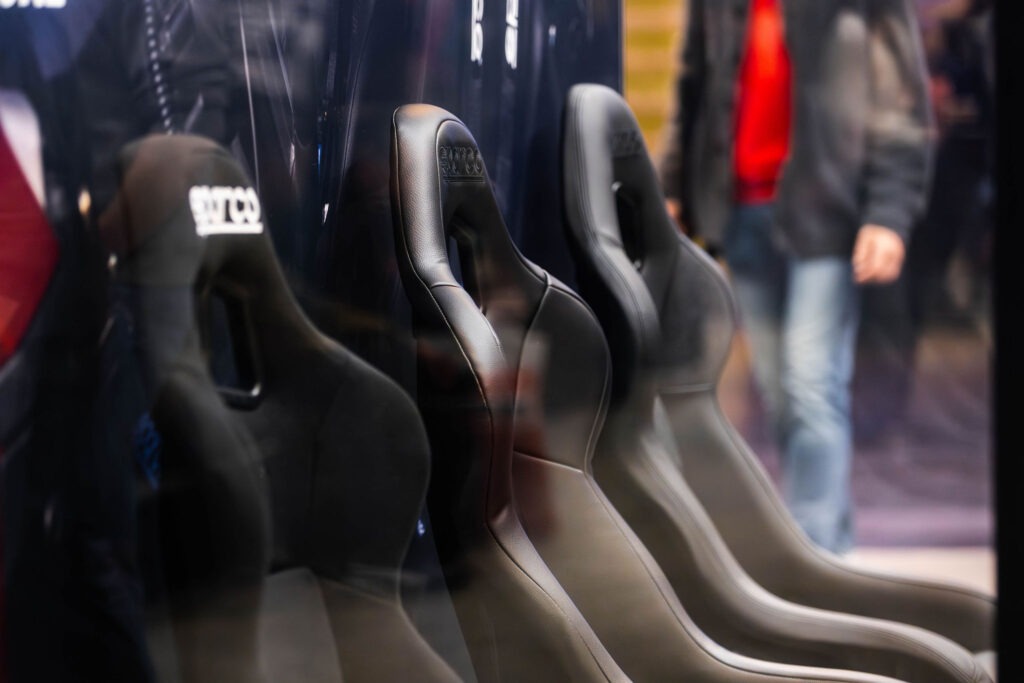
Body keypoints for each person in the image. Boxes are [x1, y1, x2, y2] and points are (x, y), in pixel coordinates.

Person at [659, 0, 934, 553]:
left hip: (827, 217)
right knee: (782, 393)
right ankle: (829, 540)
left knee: (811, 384)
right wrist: (674, 186)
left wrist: (888, 214)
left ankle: (815, 554)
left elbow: (900, 108)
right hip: (742, 212)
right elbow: (696, 84)